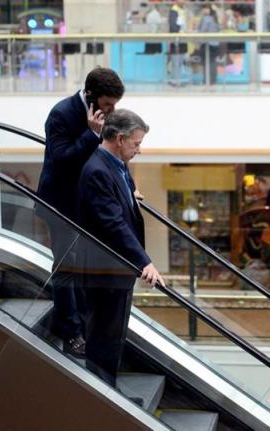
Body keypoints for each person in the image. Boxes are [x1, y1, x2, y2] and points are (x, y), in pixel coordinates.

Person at [37, 67, 124, 358]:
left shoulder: (103, 117)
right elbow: (61, 160)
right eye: (108, 104)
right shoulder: (61, 114)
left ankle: (88, 324)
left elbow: (111, 155)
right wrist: (91, 134)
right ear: (90, 96)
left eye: (115, 105)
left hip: (85, 206)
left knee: (85, 266)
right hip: (59, 205)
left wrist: (127, 187)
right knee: (66, 268)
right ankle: (71, 333)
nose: (112, 110)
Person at [77, 109, 165, 387]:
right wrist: (144, 262)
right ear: (118, 138)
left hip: (117, 272)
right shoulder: (97, 171)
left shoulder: (115, 162)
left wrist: (130, 194)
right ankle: (101, 396)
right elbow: (112, 224)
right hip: (105, 272)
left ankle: (108, 391)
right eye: (136, 143)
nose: (138, 150)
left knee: (114, 337)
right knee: (105, 338)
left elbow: (124, 185)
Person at [198, 5, 220, 85]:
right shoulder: (215, 18)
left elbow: (202, 31)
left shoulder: (206, 18)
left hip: (207, 43)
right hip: (215, 43)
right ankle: (213, 80)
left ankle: (206, 81)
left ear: (208, 10)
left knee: (206, 62)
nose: (203, 11)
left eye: (204, 9)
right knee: (213, 62)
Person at [168, 0, 187, 86]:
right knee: (176, 61)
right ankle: (174, 81)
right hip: (176, 40)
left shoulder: (182, 10)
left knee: (180, 62)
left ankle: (177, 80)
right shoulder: (173, 11)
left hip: (183, 39)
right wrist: (179, 28)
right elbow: (173, 27)